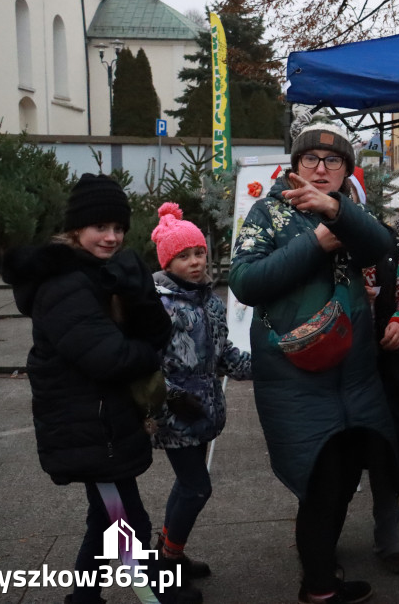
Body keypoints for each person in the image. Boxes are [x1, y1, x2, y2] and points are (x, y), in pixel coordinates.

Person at [2, 174, 197, 604]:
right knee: (127, 520)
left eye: (119, 228)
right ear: (76, 229)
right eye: (100, 227)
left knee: (105, 516)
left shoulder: (98, 273)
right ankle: (155, 595)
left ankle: (84, 598)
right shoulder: (64, 284)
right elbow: (109, 357)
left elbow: (156, 331)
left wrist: (140, 293)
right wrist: (147, 353)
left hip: (104, 420)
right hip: (87, 424)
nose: (112, 237)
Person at [229, 122, 398, 604]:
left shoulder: (350, 213)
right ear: (295, 166)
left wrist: (337, 214)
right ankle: (319, 587)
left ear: (346, 171)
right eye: (311, 159)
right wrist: (317, 242)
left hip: (353, 374)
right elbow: (245, 281)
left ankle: (321, 564)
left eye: (333, 161)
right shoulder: (268, 212)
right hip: (294, 373)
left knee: (344, 476)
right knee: (319, 480)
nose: (321, 169)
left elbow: (381, 246)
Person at [149, 202, 252, 581]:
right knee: (197, 488)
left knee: (187, 485)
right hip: (176, 414)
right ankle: (168, 560)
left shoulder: (209, 300)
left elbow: (223, 355)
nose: (194, 262)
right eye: (183, 256)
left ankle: (169, 548)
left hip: (205, 409)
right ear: (167, 262)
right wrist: (173, 400)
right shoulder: (160, 306)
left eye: (198, 253)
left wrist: (265, 366)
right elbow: (145, 365)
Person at [353, 191, 399, 575]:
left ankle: (389, 528)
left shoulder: (384, 245)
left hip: (382, 369)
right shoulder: (311, 242)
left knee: (385, 449)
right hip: (331, 373)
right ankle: (319, 533)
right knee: (332, 455)